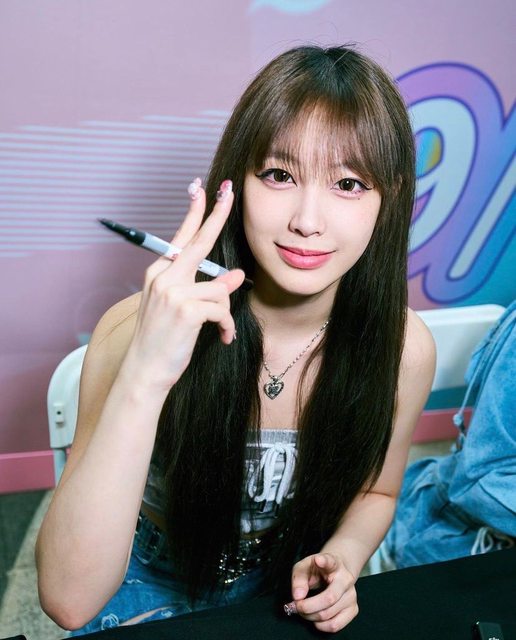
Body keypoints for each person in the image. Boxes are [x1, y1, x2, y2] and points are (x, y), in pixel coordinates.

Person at [36, 44, 435, 634]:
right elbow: (68, 598)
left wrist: (343, 557)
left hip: (283, 579)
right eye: (279, 175)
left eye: (348, 183)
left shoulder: (403, 349)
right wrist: (147, 370)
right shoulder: (133, 329)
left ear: (391, 197)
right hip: (142, 575)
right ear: (237, 182)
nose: (307, 220)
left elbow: (376, 493)